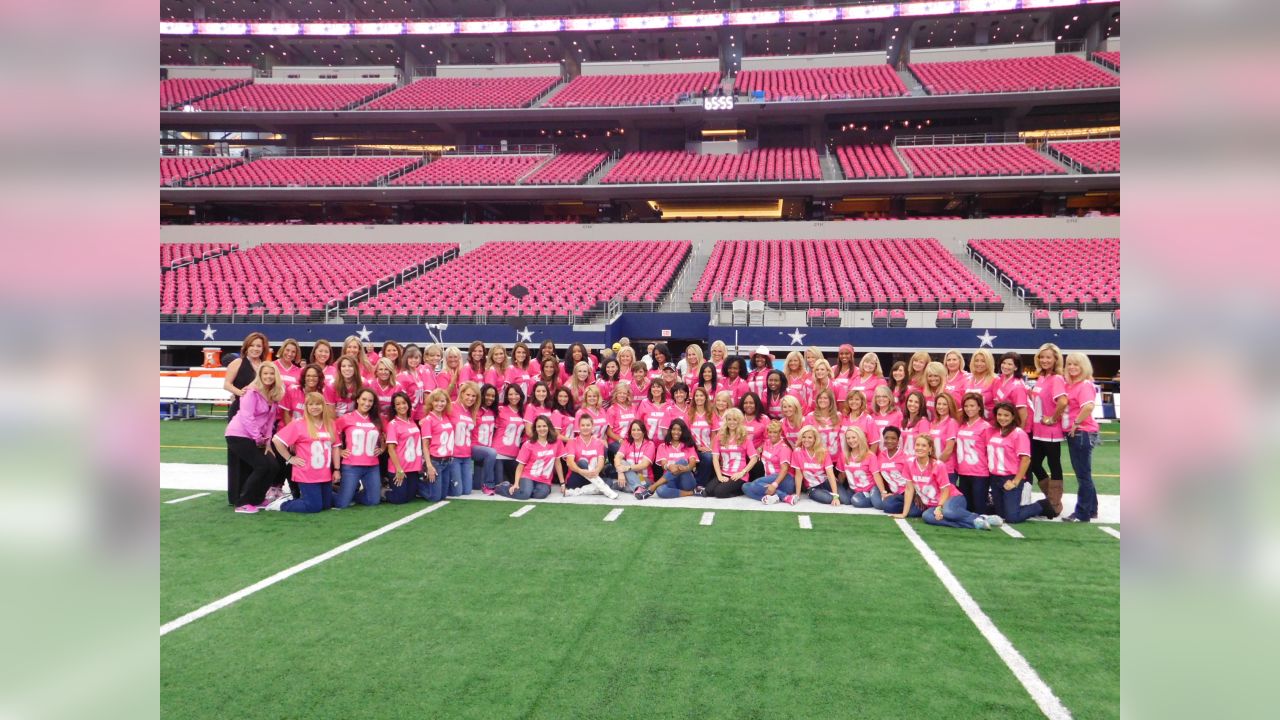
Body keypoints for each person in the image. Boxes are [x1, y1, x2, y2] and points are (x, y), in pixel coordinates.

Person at [898, 435, 1002, 530]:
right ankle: (975, 522)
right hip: (932, 505)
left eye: (924, 445)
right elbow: (909, 489)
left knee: (948, 512)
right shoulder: (909, 463)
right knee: (927, 516)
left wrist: (940, 507)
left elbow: (945, 490)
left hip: (952, 498)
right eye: (917, 445)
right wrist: (904, 513)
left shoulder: (938, 465)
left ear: (930, 449)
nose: (920, 448)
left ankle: (978, 517)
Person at [224, 362, 283, 512]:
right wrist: (258, 439)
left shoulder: (273, 395)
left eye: (271, 374)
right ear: (260, 376)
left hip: (257, 437)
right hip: (239, 435)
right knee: (262, 465)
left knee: (273, 465)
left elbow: (270, 421)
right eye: (265, 374)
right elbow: (246, 417)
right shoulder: (251, 392)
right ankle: (242, 502)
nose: (268, 377)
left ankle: (257, 499)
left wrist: (268, 443)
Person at [267, 391, 339, 514]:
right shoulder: (299, 424)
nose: (314, 407)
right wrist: (290, 458)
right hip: (307, 473)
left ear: (323, 406)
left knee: (326, 505)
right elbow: (277, 440)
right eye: (310, 404)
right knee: (313, 507)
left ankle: (308, 498)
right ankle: (282, 503)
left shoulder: (330, 424)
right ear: (306, 407)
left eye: (317, 404)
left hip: (324, 473)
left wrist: (336, 469)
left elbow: (336, 446)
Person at [987, 402, 1052, 523]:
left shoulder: (1018, 433)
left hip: (1010, 477)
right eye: (999, 414)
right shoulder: (994, 431)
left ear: (1013, 416)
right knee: (1001, 514)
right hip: (995, 478)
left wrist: (1015, 481)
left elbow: (1026, 459)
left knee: (1012, 518)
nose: (1002, 418)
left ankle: (1041, 506)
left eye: (1006, 415)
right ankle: (1014, 507)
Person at [1028, 343, 1069, 518]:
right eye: (1042, 357)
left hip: (1050, 432)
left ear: (1055, 360)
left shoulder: (1057, 378)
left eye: (1048, 357)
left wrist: (1052, 418)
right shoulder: (1042, 377)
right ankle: (1051, 499)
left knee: (1054, 465)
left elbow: (1063, 402)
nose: (1044, 360)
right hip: (1037, 430)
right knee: (1034, 463)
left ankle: (1055, 503)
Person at [1061, 352, 1101, 523]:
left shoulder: (1084, 385)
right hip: (1078, 432)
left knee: (1083, 475)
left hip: (1082, 432)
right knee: (1084, 474)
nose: (1071, 367)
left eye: (1076, 364)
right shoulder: (1071, 385)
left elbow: (1089, 406)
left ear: (1083, 366)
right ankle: (1091, 509)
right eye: (1069, 364)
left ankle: (1082, 513)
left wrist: (1076, 423)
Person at [334, 388, 385, 509]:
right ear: (357, 399)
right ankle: (329, 492)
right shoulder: (346, 418)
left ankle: (352, 494)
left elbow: (389, 435)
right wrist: (340, 450)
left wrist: (383, 447)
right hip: (351, 465)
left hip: (372, 466)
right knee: (342, 504)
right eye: (364, 399)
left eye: (370, 401)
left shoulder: (378, 419)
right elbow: (333, 436)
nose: (367, 403)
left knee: (373, 501)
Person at [495, 415, 563, 501]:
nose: (542, 429)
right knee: (524, 495)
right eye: (539, 426)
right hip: (528, 476)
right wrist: (516, 483)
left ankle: (531, 489)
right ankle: (503, 487)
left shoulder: (556, 442)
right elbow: (520, 466)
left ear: (549, 427)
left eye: (544, 426)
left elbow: (558, 463)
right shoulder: (528, 444)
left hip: (544, 479)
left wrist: (562, 483)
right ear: (535, 429)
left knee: (541, 495)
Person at [635, 419, 698, 500]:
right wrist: (669, 466)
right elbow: (663, 464)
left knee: (682, 461)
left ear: (683, 432)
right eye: (674, 429)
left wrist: (686, 468)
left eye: (679, 430)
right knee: (660, 490)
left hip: (686, 482)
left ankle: (652, 487)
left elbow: (693, 463)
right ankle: (692, 493)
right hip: (670, 481)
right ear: (670, 431)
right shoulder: (663, 446)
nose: (676, 432)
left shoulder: (688, 445)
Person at [955, 393, 994, 514]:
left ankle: (998, 507)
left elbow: (990, 451)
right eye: (966, 406)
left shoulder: (985, 426)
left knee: (979, 509)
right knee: (968, 507)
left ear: (979, 407)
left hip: (979, 473)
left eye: (972, 406)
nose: (969, 409)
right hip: (963, 471)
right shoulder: (962, 425)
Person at [706, 409, 757, 498]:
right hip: (724, 472)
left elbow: (754, 458)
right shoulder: (720, 436)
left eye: (734, 419)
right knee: (709, 491)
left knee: (719, 492)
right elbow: (715, 458)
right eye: (729, 419)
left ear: (739, 421)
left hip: (738, 475)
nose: (732, 422)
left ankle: (741, 489)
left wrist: (742, 473)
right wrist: (719, 476)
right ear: (726, 421)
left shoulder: (744, 437)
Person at [382, 392, 422, 505]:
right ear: (394, 407)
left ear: (408, 404)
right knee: (400, 499)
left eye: (404, 403)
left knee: (410, 496)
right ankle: (383, 492)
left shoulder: (412, 421)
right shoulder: (393, 424)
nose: (401, 406)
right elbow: (390, 449)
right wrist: (399, 469)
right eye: (398, 404)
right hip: (399, 468)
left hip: (413, 468)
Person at [563, 415, 618, 499]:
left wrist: (597, 470)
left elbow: (601, 461)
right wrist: (582, 471)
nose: (585, 428)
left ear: (592, 427)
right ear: (579, 427)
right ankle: (604, 489)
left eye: (588, 425)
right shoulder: (572, 442)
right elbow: (570, 463)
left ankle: (576, 492)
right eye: (583, 425)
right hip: (577, 477)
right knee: (582, 462)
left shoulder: (598, 442)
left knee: (609, 482)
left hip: (593, 477)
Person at [741, 420, 795, 505]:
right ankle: (774, 498)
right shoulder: (766, 443)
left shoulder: (784, 448)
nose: (772, 435)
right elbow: (760, 449)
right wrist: (758, 450)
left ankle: (784, 496)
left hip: (784, 480)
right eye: (770, 432)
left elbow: (784, 469)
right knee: (745, 487)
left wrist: (774, 485)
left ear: (780, 432)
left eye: (775, 432)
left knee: (756, 483)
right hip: (769, 479)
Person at [418, 389, 457, 502]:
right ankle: (416, 485)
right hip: (436, 461)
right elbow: (425, 445)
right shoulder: (428, 420)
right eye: (436, 401)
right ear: (431, 403)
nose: (439, 404)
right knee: (434, 498)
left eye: (442, 401)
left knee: (443, 496)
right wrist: (429, 466)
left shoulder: (445, 417)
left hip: (448, 460)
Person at [835, 426, 884, 509]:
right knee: (846, 500)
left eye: (854, 437)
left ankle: (873, 498)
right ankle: (867, 498)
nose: (851, 440)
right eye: (848, 438)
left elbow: (876, 475)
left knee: (877, 504)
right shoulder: (844, 455)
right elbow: (842, 475)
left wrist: (883, 492)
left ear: (860, 437)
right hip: (853, 489)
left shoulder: (870, 455)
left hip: (869, 488)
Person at [224, 332, 268, 422]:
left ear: (263, 348)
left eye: (259, 346)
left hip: (260, 412)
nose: (255, 349)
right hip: (239, 409)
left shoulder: (265, 365)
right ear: (246, 347)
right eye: (252, 345)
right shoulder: (237, 362)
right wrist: (241, 393)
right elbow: (226, 384)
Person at [792, 426, 841, 506]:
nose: (806, 440)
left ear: (815, 439)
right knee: (828, 499)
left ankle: (831, 493)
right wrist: (797, 494)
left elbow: (830, 474)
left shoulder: (823, 451)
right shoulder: (797, 452)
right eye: (804, 437)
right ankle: (817, 493)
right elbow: (798, 475)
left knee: (844, 500)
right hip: (812, 486)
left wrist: (835, 496)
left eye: (810, 437)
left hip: (825, 482)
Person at [492, 384, 527, 490]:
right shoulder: (500, 410)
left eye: (516, 394)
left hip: (515, 456)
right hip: (499, 455)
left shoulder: (523, 411)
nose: (513, 397)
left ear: (520, 395)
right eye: (510, 394)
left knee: (519, 485)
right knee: (501, 486)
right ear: (506, 396)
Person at [877, 427, 916, 516]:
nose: (889, 441)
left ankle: (913, 505)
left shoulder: (905, 456)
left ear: (898, 440)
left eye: (893, 438)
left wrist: (916, 494)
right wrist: (884, 491)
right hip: (895, 494)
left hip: (908, 491)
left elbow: (914, 477)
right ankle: (910, 507)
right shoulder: (881, 456)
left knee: (889, 506)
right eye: (886, 438)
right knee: (887, 506)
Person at [450, 382, 480, 496]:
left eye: (473, 396)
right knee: (457, 492)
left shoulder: (471, 412)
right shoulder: (451, 406)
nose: (470, 398)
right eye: (468, 395)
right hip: (454, 456)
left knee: (467, 491)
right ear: (461, 393)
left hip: (467, 456)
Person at [686, 386, 719, 488]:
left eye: (701, 395)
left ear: (706, 398)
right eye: (696, 395)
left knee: (708, 457)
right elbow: (686, 434)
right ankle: (695, 483)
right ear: (693, 398)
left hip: (706, 448)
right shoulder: (689, 413)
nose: (699, 398)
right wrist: (697, 447)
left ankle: (699, 484)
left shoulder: (711, 414)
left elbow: (714, 434)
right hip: (692, 448)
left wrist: (710, 448)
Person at [614, 420, 656, 493]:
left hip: (643, 478)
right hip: (629, 476)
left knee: (623, 486)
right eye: (633, 430)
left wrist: (627, 468)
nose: (635, 432)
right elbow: (617, 457)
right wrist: (620, 472)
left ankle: (635, 486)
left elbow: (644, 465)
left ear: (644, 431)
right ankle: (638, 488)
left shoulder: (650, 444)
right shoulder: (627, 443)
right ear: (630, 431)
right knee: (622, 462)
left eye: (638, 430)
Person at [473, 384, 500, 494]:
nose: (490, 398)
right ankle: (488, 485)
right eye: (487, 395)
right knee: (491, 452)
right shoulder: (474, 410)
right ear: (482, 395)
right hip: (474, 446)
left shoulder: (493, 411)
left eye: (493, 396)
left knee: (475, 486)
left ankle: (479, 482)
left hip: (486, 450)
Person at [992, 351, 1030, 429]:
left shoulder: (1018, 386)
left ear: (1016, 367)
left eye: (1010, 364)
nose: (1005, 366)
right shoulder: (998, 380)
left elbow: (1023, 412)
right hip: (1003, 424)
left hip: (1016, 426)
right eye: (1004, 363)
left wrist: (1020, 431)